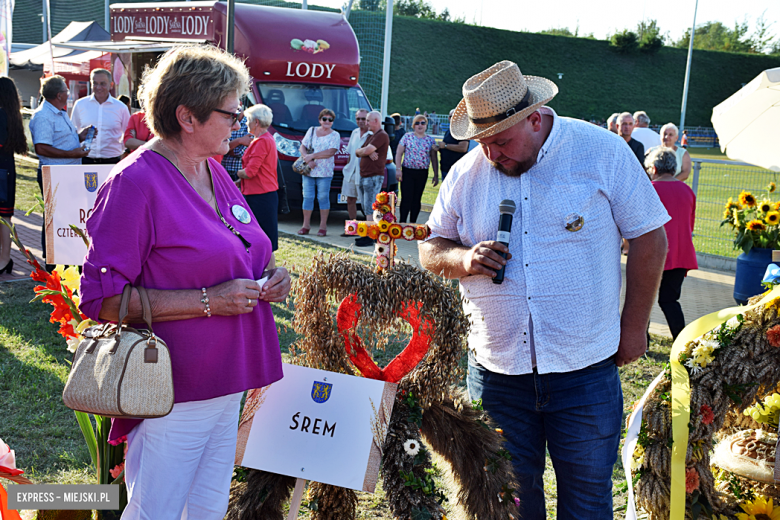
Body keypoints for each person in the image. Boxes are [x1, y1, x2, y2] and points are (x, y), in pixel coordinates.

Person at [418, 60, 669, 518]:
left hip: (585, 370)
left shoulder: (603, 152)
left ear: (534, 119)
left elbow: (651, 237)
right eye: (482, 142)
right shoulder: (467, 173)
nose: (491, 154)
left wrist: (634, 327)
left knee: (588, 501)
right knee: (510, 503)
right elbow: (431, 247)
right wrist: (464, 259)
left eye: (500, 141)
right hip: (498, 375)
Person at [79, 46, 290, 520]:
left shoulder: (212, 168)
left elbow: (245, 248)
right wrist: (208, 302)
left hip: (228, 375)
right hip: (172, 384)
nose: (238, 121)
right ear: (187, 116)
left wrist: (272, 276)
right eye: (230, 112)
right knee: (156, 510)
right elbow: (101, 299)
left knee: (207, 508)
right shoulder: (135, 183)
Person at [29, 75, 91, 269]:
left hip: (68, 173)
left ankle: (66, 261)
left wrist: (80, 136)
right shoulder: (43, 116)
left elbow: (59, 141)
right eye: (65, 90)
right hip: (55, 175)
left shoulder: (59, 112)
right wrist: (71, 152)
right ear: (59, 95)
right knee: (54, 219)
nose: (68, 93)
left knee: (67, 218)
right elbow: (41, 148)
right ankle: (52, 264)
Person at [645, 147, 697, 340]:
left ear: (654, 168)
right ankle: (682, 341)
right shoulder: (687, 191)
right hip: (681, 254)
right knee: (670, 300)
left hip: (653, 253)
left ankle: (643, 340)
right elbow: (689, 225)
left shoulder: (649, 189)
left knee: (644, 300)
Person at [237, 104, 279, 251]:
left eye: (248, 120)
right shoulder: (265, 139)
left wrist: (238, 173)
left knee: (265, 240)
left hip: (261, 195)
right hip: (260, 193)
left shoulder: (262, 141)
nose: (246, 123)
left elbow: (250, 172)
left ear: (257, 122)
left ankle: (267, 271)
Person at [71, 69, 130, 164]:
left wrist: (121, 152)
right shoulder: (80, 104)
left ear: (111, 85)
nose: (98, 87)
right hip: (86, 160)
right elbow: (73, 132)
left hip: (112, 160)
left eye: (103, 84)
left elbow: (127, 134)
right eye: (95, 83)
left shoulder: (121, 107)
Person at [0, 77, 27, 275]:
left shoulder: (1, 115)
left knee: (3, 217)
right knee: (4, 216)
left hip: (2, 170)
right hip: (5, 168)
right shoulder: (11, 114)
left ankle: (4, 259)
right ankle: (5, 259)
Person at [298, 108, 339, 237]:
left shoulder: (335, 135)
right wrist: (307, 158)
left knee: (322, 198)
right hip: (309, 171)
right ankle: (306, 225)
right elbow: (302, 147)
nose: (327, 121)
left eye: (330, 119)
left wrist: (313, 156)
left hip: (325, 172)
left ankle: (323, 227)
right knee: (307, 198)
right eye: (324, 119)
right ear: (319, 120)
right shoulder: (311, 130)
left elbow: (331, 152)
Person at [354, 111, 390, 247]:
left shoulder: (381, 135)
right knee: (365, 206)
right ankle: (370, 233)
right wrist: (365, 152)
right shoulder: (371, 136)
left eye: (368, 120)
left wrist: (367, 151)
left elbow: (365, 151)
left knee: (370, 207)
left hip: (373, 176)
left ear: (376, 121)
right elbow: (358, 151)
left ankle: (371, 235)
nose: (366, 123)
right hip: (365, 175)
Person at [395, 114, 439, 223]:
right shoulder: (407, 137)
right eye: (417, 123)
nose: (420, 125)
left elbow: (434, 158)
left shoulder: (430, 140)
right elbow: (399, 153)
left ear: (426, 126)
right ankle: (402, 222)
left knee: (417, 198)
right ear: (413, 125)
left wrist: (436, 174)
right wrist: (398, 169)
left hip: (422, 173)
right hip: (407, 171)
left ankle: (413, 223)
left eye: (423, 123)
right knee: (406, 197)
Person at [339, 109, 372, 232]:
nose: (361, 121)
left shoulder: (373, 135)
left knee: (366, 203)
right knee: (350, 200)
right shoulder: (354, 132)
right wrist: (347, 168)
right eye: (358, 118)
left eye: (363, 119)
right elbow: (350, 154)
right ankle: (353, 228)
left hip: (364, 174)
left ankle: (368, 231)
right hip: (350, 172)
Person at [437, 108, 469, 180]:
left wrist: (445, 146)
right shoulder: (449, 130)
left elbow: (463, 148)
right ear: (449, 118)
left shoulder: (462, 130)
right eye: (452, 116)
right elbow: (447, 147)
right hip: (446, 168)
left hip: (457, 170)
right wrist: (439, 148)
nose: (454, 118)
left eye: (457, 116)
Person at [221, 114, 253, 181]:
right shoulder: (224, 120)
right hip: (221, 169)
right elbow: (218, 148)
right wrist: (239, 141)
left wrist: (225, 148)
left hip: (237, 172)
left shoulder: (249, 124)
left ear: (241, 104)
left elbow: (240, 153)